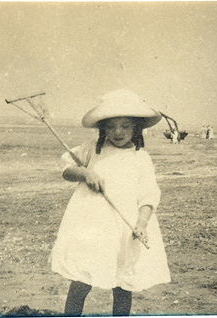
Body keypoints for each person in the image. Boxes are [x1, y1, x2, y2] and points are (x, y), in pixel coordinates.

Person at [50, 89, 170, 316]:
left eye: (125, 126)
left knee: (123, 282)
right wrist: (84, 173)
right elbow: (66, 170)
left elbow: (148, 196)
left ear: (136, 127)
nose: (118, 132)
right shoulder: (91, 150)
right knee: (82, 278)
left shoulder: (140, 158)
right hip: (92, 225)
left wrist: (142, 224)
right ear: (102, 127)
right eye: (112, 126)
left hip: (125, 227)